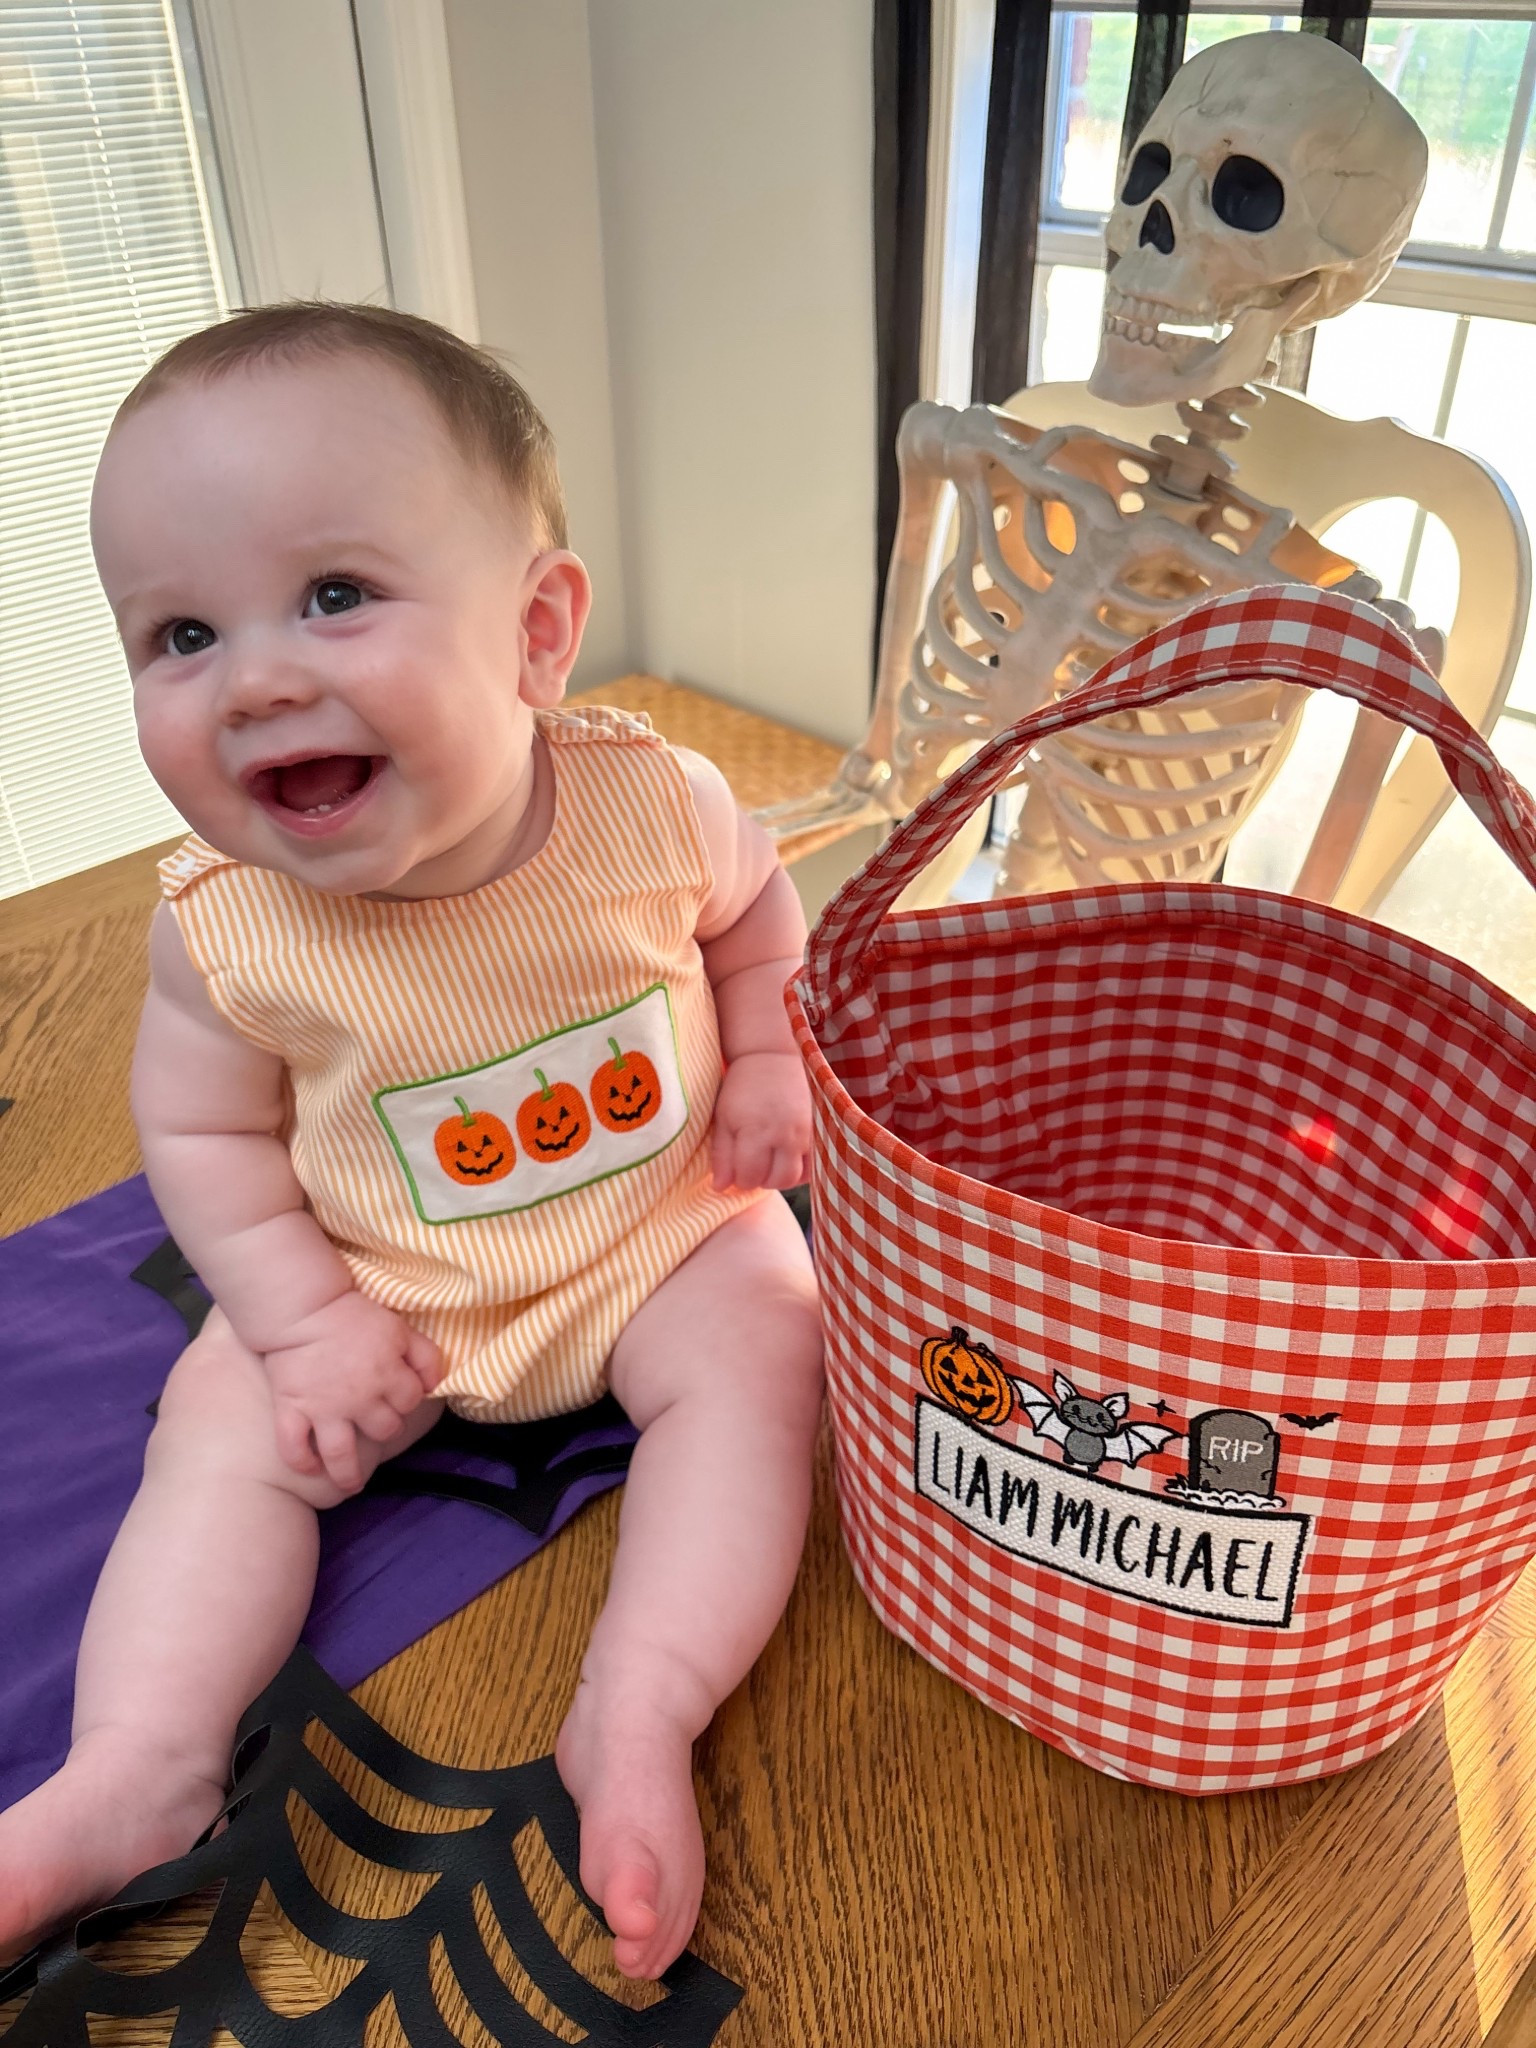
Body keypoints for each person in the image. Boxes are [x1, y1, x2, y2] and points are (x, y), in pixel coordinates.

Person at [0, 303, 824, 1980]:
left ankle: (640, 1698)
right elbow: (200, 1134)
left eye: (334, 596)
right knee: (222, 1425)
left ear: (536, 633)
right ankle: (137, 1768)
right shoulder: (227, 932)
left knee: (775, 1348)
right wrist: (303, 1320)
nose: (259, 679)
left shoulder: (653, 800)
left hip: (664, 1229)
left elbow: (757, 919)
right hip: (383, 1285)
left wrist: (765, 1053)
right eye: (181, 635)